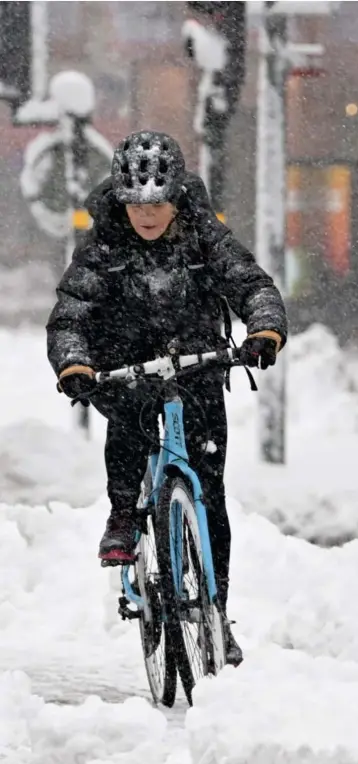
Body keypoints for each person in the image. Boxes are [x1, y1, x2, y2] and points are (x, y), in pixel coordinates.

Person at [46, 130, 288, 665]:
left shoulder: (203, 236)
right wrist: (75, 362)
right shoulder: (103, 246)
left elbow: (251, 283)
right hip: (125, 370)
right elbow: (70, 315)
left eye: (158, 203)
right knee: (130, 429)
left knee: (211, 496)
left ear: (177, 197)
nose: (148, 215)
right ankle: (124, 516)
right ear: (122, 203)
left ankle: (217, 613)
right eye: (137, 205)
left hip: (199, 368)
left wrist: (264, 327)